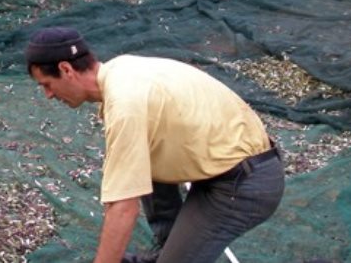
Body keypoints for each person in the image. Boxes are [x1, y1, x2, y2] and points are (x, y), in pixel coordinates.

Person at [24, 27, 284, 263]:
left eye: (47, 85)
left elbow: (123, 207)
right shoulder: (122, 69)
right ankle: (168, 247)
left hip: (244, 185)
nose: (48, 95)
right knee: (138, 161)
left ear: (66, 70)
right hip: (223, 165)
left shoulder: (126, 103)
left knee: (132, 174)